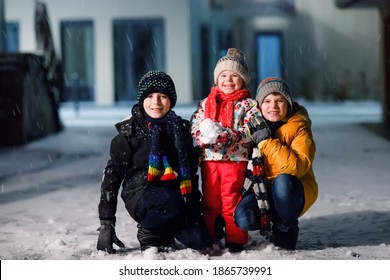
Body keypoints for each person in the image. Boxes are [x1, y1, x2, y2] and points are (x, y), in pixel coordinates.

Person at [97, 70, 210, 253]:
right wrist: (106, 223)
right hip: (141, 194)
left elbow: (190, 172)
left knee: (199, 240)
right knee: (165, 198)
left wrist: (194, 210)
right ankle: (149, 229)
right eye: (149, 96)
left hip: (176, 195)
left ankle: (164, 230)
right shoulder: (130, 132)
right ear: (141, 100)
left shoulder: (181, 129)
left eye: (162, 96)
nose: (155, 103)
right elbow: (111, 178)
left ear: (171, 100)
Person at [190, 48, 267, 252]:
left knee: (230, 200)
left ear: (242, 80)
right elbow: (195, 124)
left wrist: (232, 136)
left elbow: (253, 127)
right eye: (224, 75)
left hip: (235, 160)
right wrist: (200, 135)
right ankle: (210, 235)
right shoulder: (206, 103)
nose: (228, 80)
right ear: (217, 79)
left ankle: (235, 239)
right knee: (210, 200)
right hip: (209, 159)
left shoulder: (247, 104)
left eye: (234, 76)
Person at [234, 77, 318, 250]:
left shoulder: (299, 126)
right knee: (244, 218)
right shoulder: (252, 125)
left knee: (283, 182)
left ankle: (285, 228)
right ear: (259, 105)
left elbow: (295, 168)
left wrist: (265, 141)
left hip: (293, 189)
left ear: (288, 104)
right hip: (262, 189)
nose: (273, 106)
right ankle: (269, 217)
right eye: (267, 101)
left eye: (279, 101)